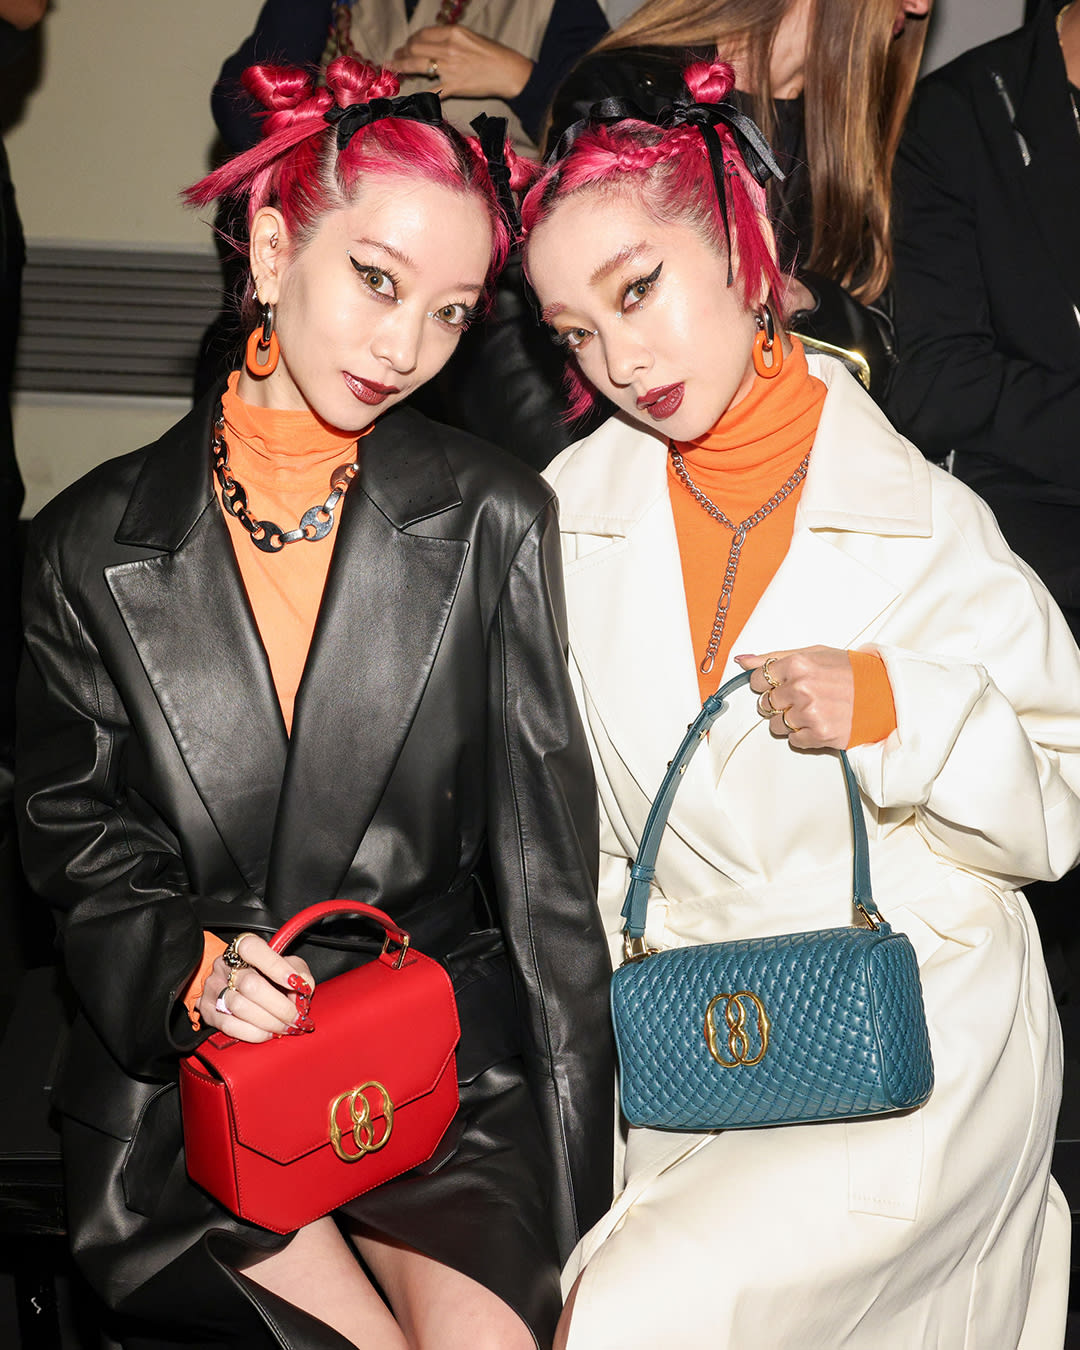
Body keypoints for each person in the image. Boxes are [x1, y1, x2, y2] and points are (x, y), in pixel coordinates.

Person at [15, 55, 614, 1350]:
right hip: (200, 1078)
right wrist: (191, 966)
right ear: (275, 248)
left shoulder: (494, 516)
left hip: (435, 1057)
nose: (406, 348)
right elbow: (77, 842)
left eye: (452, 313)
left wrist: (590, 1179)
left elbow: (546, 883)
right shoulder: (85, 548)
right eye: (377, 280)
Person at [520, 52, 1080, 1348]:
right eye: (576, 332)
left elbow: (1062, 791)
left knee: (627, 1317)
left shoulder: (923, 519)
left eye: (638, 289)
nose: (621, 358)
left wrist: (901, 709)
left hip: (916, 1031)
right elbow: (570, 835)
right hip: (696, 1046)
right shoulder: (559, 518)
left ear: (742, 240)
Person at [545, 0, 932, 403]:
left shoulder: (866, 141)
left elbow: (888, 348)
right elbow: (569, 318)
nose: (920, 5)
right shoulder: (628, 94)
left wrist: (802, 298)